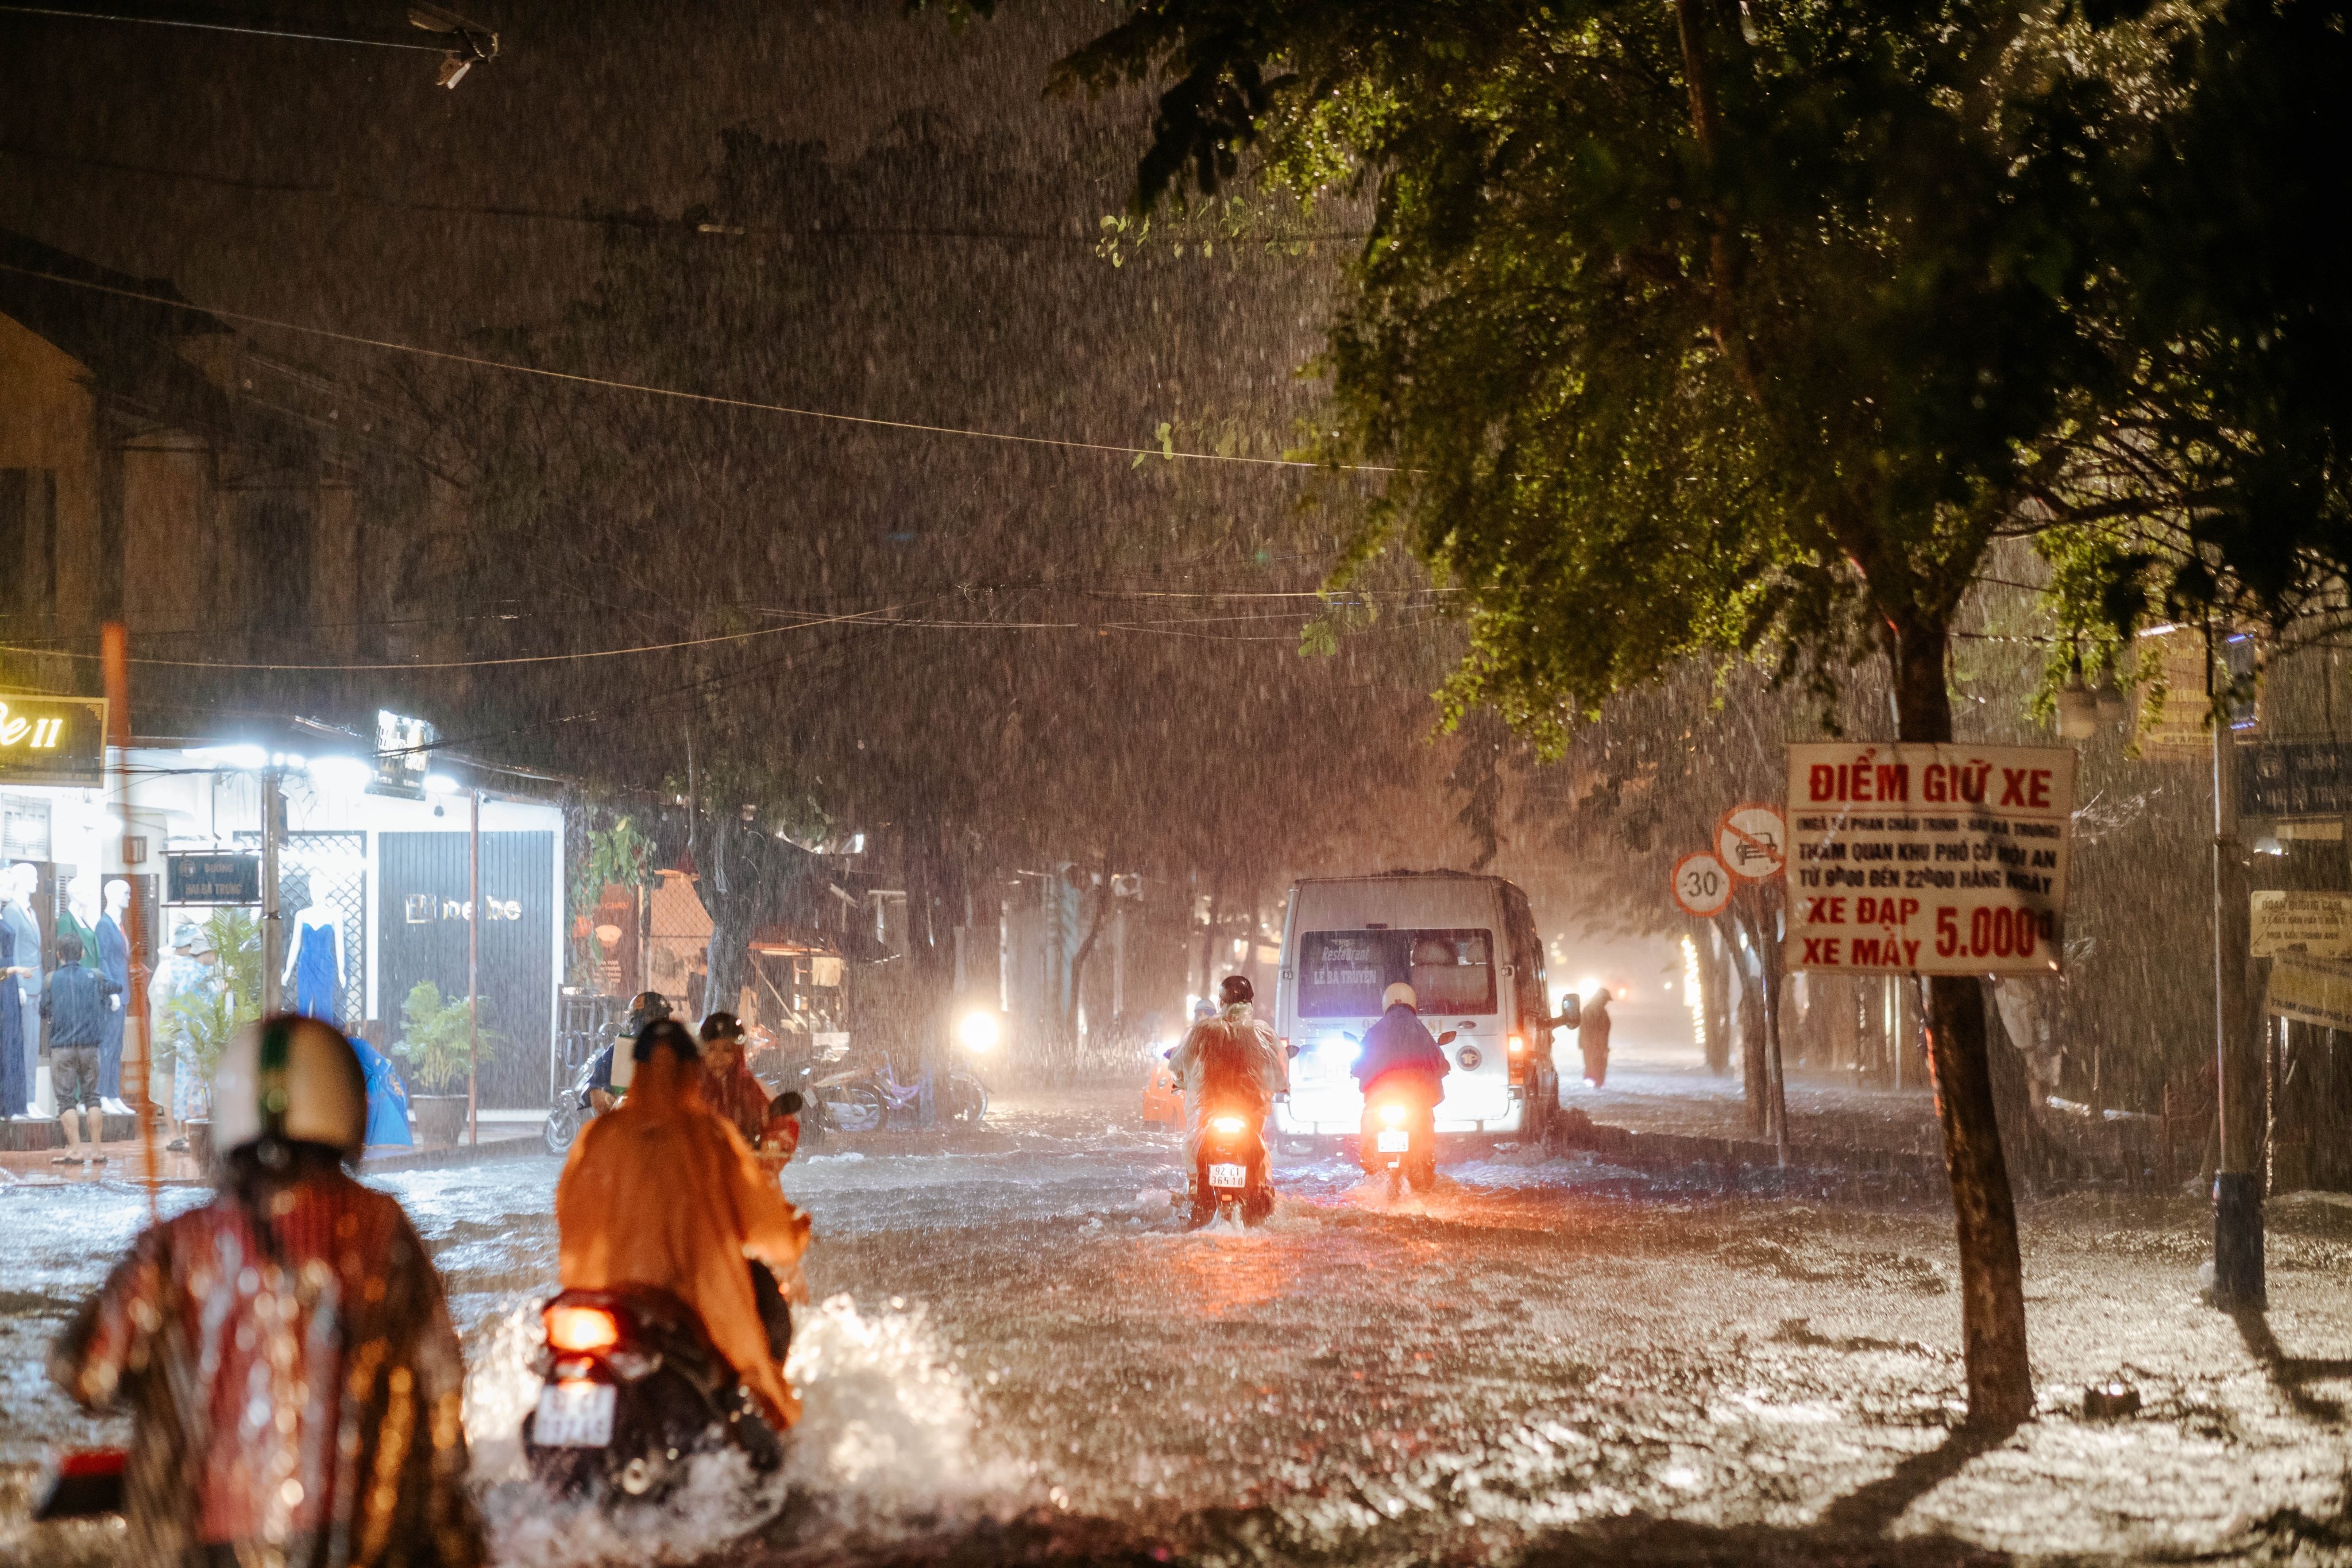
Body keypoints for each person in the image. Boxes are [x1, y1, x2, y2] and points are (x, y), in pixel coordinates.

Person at [49, 1015, 484, 1567]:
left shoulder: (178, 1243)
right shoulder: (383, 1227)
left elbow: (87, 1375)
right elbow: (442, 1382)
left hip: (206, 1546)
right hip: (364, 1543)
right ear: (348, 1109)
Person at [555, 1018, 811, 1428]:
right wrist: (793, 1234)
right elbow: (761, 1223)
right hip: (695, 1299)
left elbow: (570, 1216)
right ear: (693, 1070)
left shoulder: (599, 1136)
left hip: (607, 1295)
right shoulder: (710, 1136)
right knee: (760, 1344)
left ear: (635, 1070)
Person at [1167, 974, 1289, 1181]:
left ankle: (1196, 1186)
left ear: (1221, 1003)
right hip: (1248, 1116)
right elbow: (1279, 1069)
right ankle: (1260, 1187)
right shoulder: (1262, 1032)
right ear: (1250, 1003)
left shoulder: (1201, 1031)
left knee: (1194, 1159)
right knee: (1260, 1160)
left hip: (1209, 1115)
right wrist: (1282, 1086)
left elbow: (1177, 1068)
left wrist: (1179, 1082)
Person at [43, 932, 121, 1167]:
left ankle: (76, 1151)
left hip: (62, 1049)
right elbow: (116, 986)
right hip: (90, 1048)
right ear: (83, 954)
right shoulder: (94, 976)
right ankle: (96, 1151)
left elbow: (43, 1010)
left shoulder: (51, 980)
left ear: (59, 956)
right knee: (92, 1098)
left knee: (66, 1101)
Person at [1351, 981, 1450, 1107]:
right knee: (1425, 1122)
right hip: (1417, 1099)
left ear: (1386, 1004)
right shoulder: (1421, 1031)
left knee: (1369, 1121)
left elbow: (1360, 1062)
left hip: (1382, 1098)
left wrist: (1355, 1069)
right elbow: (1439, 1062)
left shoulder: (1375, 1032)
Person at [582, 991, 670, 1115]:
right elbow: (593, 1084)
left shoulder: (675, 1050)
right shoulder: (621, 1048)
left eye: (661, 1015)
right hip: (628, 1120)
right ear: (636, 1021)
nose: (658, 1020)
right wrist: (599, 1095)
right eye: (652, 1015)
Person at [698, 1010, 770, 1145]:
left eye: (727, 1050)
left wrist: (768, 1143)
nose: (718, 1057)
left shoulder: (747, 1086)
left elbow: (773, 1122)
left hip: (740, 1158)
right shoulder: (693, 1087)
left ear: (738, 1054)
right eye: (712, 1049)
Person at [1579, 988, 1613, 1087]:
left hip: (1593, 1046)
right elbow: (1594, 1030)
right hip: (1595, 1046)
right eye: (1606, 1000)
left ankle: (1594, 1084)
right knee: (1596, 1068)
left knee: (1592, 1068)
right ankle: (1596, 1085)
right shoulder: (1597, 1011)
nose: (1606, 1002)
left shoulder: (1591, 1010)